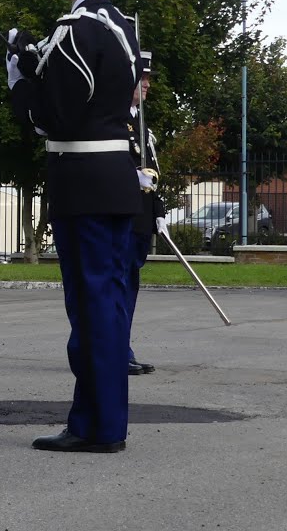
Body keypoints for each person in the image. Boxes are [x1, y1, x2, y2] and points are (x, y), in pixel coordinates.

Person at [7, 0, 141, 453]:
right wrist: (37, 60)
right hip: (115, 180)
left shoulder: (75, 30)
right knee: (106, 303)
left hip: (82, 185)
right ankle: (98, 420)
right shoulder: (120, 27)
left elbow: (53, 119)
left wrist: (20, 79)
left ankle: (97, 427)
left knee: (90, 310)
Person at [126, 50, 164, 375]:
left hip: (141, 217)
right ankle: (116, 350)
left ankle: (122, 347)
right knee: (119, 286)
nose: (148, 84)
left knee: (130, 286)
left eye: (149, 78)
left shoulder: (140, 122)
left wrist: (159, 212)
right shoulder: (113, 119)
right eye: (142, 77)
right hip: (123, 215)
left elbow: (153, 171)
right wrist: (131, 176)